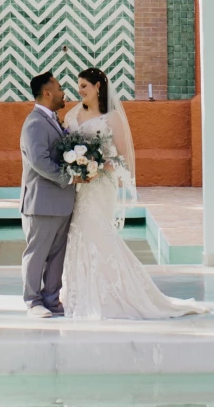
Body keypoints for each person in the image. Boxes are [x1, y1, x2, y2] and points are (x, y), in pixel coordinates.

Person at [59, 66, 202, 320]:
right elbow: (65, 148)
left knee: (98, 231)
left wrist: (97, 165)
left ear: (97, 87)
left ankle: (113, 295)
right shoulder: (71, 116)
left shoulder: (112, 118)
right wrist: (77, 167)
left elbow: (124, 157)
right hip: (79, 187)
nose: (79, 90)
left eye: (84, 86)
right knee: (78, 232)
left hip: (102, 186)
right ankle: (80, 293)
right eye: (78, 85)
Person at [18, 71, 75, 317]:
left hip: (62, 202)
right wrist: (69, 177)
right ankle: (33, 301)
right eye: (60, 88)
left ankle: (52, 300)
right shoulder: (34, 123)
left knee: (56, 255)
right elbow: (39, 161)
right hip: (41, 202)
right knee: (37, 254)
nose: (64, 93)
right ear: (47, 92)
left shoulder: (54, 120)